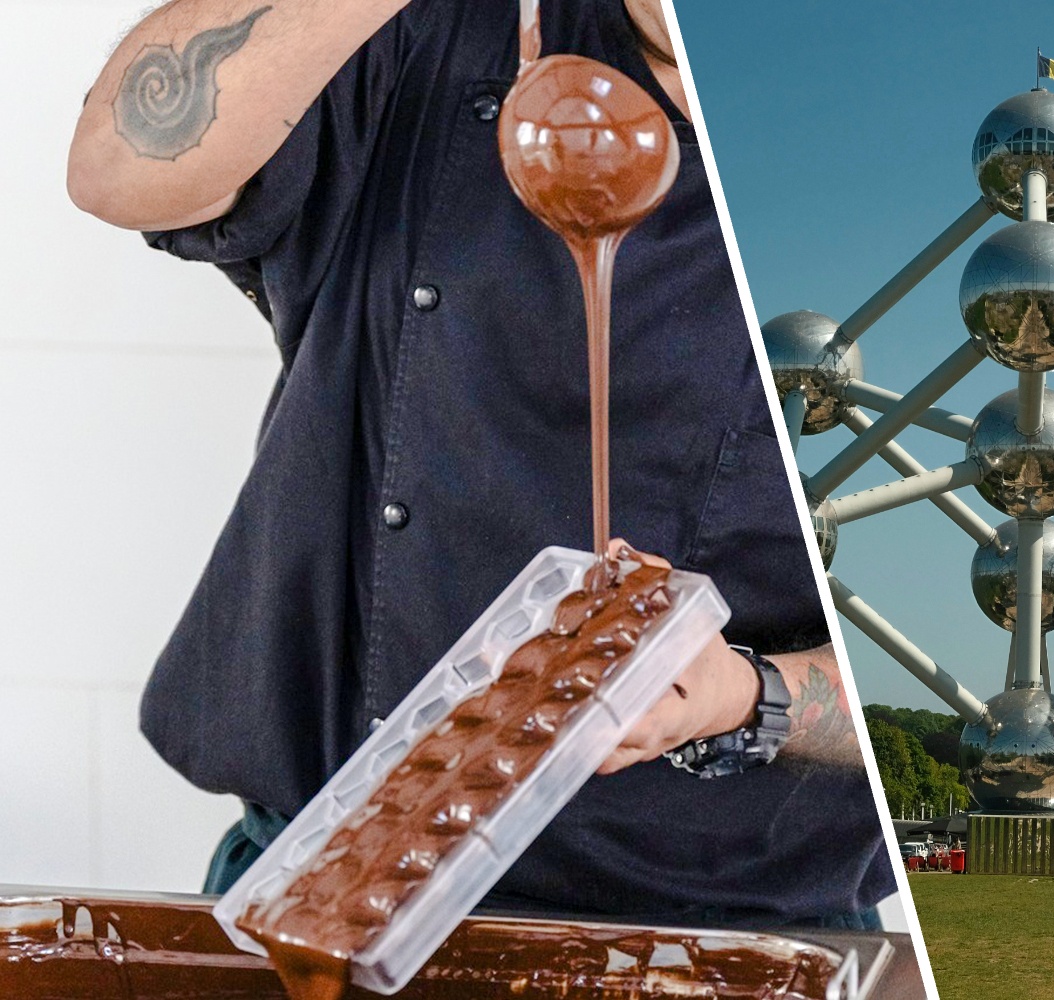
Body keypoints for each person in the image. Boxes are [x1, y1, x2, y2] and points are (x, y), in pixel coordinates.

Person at [65, 0, 893, 928]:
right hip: (323, 878)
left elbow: (941, 675)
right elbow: (115, 167)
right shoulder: (439, 39)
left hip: (724, 927)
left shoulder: (878, 193)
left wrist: (748, 693)